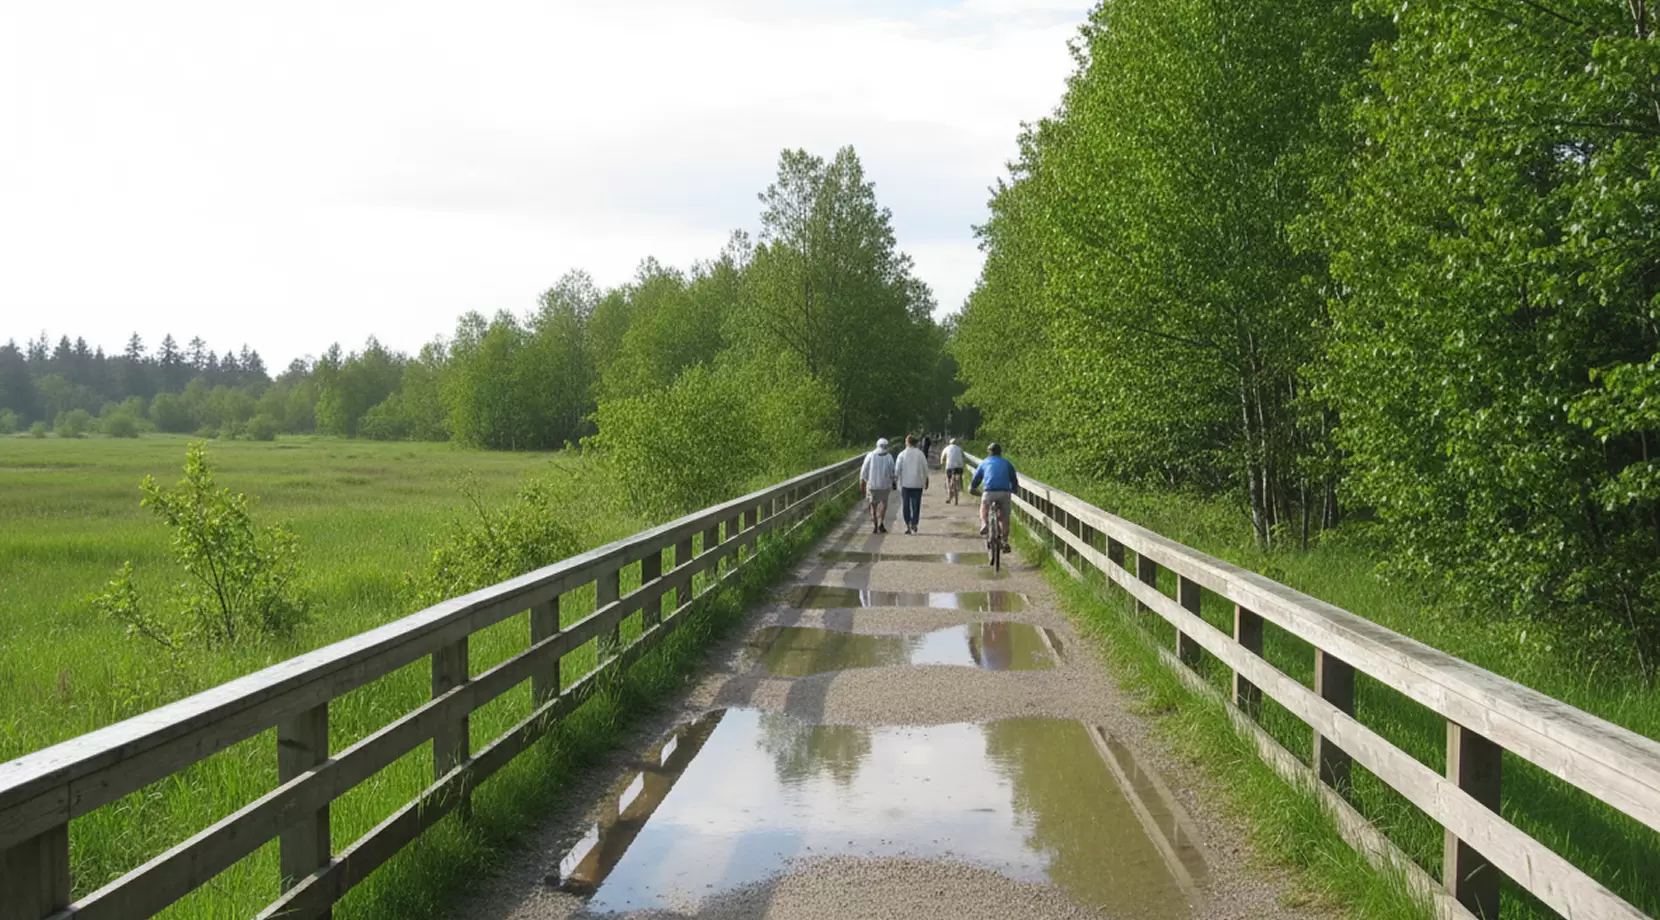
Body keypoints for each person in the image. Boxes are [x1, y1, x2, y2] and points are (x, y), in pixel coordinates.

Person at [971, 442, 1018, 551]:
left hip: (989, 491)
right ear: (1000, 452)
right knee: (1005, 517)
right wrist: (1014, 489)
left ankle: (984, 523)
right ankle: (1005, 541)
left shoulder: (984, 463)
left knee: (984, 506)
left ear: (989, 452)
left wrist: (972, 487)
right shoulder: (1006, 463)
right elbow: (1014, 478)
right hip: (1004, 492)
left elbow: (977, 478)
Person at [859, 437, 898, 533]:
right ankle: (881, 523)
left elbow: (863, 472)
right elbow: (893, 472)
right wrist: (893, 482)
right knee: (884, 504)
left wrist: (862, 485)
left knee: (873, 505)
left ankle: (875, 524)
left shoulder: (870, 455)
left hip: (872, 485)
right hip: (885, 486)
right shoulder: (889, 457)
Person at [894, 434, 930, 534]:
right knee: (916, 505)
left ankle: (908, 525)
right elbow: (925, 467)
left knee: (906, 505)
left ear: (907, 442)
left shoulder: (902, 454)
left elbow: (897, 469)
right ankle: (914, 522)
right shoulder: (920, 454)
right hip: (918, 483)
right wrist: (926, 479)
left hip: (905, 484)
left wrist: (895, 479)